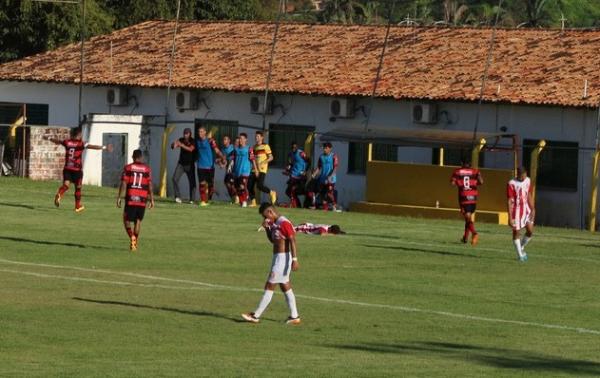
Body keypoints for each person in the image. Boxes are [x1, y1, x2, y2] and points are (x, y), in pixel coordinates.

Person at [242, 203, 300, 325]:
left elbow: (292, 240)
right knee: (285, 286)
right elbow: (273, 241)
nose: (265, 219)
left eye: (265, 216)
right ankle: (294, 316)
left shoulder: (284, 223)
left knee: (269, 286)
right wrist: (267, 228)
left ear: (270, 212)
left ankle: (255, 315)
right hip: (277, 258)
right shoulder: (275, 224)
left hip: (283, 259)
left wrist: (295, 259)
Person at [43, 127, 111, 212]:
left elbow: (58, 141)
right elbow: (91, 146)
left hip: (67, 168)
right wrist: (105, 147)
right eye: (81, 134)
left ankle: (59, 194)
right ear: (79, 134)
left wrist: (48, 138)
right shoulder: (80, 144)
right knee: (78, 188)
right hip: (77, 170)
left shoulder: (67, 142)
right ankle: (77, 206)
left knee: (66, 185)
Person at [116, 149, 155, 252]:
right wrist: (152, 199)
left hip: (131, 197)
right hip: (142, 198)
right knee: (138, 220)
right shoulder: (147, 169)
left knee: (126, 219)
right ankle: (135, 242)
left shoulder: (128, 168)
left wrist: (119, 197)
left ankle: (132, 237)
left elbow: (124, 183)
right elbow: (150, 185)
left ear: (133, 157)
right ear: (141, 157)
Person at [451, 160, 484, 246]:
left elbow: (452, 183)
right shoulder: (475, 171)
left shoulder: (457, 171)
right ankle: (465, 238)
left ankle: (474, 233)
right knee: (467, 218)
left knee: (468, 218)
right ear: (469, 164)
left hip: (464, 197)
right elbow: (481, 182)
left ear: (462, 164)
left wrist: (458, 182)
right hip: (473, 198)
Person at [507, 167, 535, 262]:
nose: (523, 176)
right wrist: (510, 217)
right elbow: (509, 201)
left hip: (526, 209)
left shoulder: (528, 180)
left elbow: (529, 195)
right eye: (521, 175)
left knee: (530, 231)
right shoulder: (511, 183)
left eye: (524, 174)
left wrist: (533, 208)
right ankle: (520, 256)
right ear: (517, 174)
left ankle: (521, 246)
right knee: (516, 232)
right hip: (516, 211)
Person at [195, 126, 224, 207]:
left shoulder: (210, 141)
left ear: (205, 132)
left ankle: (208, 197)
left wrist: (222, 157)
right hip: (200, 166)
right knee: (202, 183)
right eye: (199, 132)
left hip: (210, 167)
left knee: (210, 185)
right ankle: (203, 201)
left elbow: (217, 150)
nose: (200, 133)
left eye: (201, 131)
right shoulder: (197, 142)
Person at [248, 131, 277, 207]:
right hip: (254, 169)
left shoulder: (265, 146)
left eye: (258, 136)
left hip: (262, 169)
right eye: (255, 136)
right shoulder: (254, 147)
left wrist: (263, 162)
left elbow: (271, 157)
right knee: (249, 186)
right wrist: (255, 168)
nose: (256, 138)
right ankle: (253, 202)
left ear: (261, 137)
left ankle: (271, 192)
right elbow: (253, 159)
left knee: (259, 186)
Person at [229, 133, 258, 208]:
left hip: (245, 171)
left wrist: (256, 169)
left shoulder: (249, 148)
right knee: (237, 187)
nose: (240, 140)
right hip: (237, 171)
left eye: (242, 138)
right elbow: (233, 159)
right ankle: (242, 201)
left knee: (242, 186)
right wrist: (230, 166)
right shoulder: (236, 149)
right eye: (239, 138)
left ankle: (244, 201)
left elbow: (253, 159)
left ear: (246, 139)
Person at [171, 128, 196, 204]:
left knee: (192, 182)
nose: (185, 135)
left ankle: (192, 199)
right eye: (184, 133)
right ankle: (178, 197)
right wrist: (174, 144)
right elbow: (174, 146)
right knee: (174, 179)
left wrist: (181, 145)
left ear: (190, 134)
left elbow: (191, 149)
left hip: (190, 165)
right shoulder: (181, 139)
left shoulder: (193, 141)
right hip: (181, 164)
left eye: (187, 134)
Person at [313, 142, 338, 211]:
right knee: (322, 194)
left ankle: (334, 204)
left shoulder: (334, 156)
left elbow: (335, 168)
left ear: (330, 148)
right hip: (322, 179)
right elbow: (318, 167)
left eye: (326, 148)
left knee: (329, 193)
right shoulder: (321, 157)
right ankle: (325, 208)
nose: (324, 149)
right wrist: (313, 175)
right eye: (324, 148)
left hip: (331, 179)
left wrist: (330, 176)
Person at [284, 141, 310, 208]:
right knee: (288, 191)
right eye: (292, 147)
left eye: (295, 147)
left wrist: (305, 171)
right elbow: (290, 164)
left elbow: (309, 161)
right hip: (293, 175)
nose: (293, 148)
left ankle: (309, 195)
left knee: (295, 190)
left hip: (301, 176)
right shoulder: (290, 154)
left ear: (297, 147)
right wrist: (287, 170)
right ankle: (297, 205)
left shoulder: (301, 153)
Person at [218, 135, 238, 204]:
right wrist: (220, 163)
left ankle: (237, 198)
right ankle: (234, 198)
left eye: (225, 139)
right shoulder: (223, 149)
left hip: (234, 169)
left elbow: (232, 157)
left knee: (232, 184)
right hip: (228, 169)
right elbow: (223, 159)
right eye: (223, 139)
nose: (224, 141)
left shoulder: (232, 147)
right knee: (227, 183)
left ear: (229, 141)